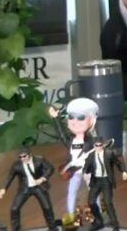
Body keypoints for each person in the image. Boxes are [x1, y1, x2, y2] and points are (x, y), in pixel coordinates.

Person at [49, 97, 99, 226]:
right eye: (71, 117)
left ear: (91, 120)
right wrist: (55, 118)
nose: (75, 121)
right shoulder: (71, 140)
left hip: (88, 171)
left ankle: (98, 215)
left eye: (81, 117)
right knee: (71, 192)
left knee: (94, 192)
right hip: (74, 171)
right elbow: (62, 135)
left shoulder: (91, 140)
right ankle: (71, 215)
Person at [0, 147, 57, 231]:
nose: (22, 158)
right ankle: (16, 229)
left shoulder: (39, 160)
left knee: (47, 207)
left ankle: (53, 228)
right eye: (20, 157)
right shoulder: (17, 165)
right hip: (25, 188)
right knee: (14, 208)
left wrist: (42, 179)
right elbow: (10, 176)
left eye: (24, 156)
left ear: (30, 155)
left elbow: (50, 168)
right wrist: (3, 188)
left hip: (39, 187)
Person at [83, 137, 127, 230]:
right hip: (96, 181)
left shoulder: (109, 153)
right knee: (91, 202)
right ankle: (99, 221)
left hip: (106, 180)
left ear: (103, 145)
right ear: (94, 146)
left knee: (108, 203)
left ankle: (115, 224)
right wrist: (85, 171)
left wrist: (123, 171)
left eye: (100, 145)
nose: (98, 147)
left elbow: (118, 163)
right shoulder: (91, 156)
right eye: (96, 145)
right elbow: (86, 167)